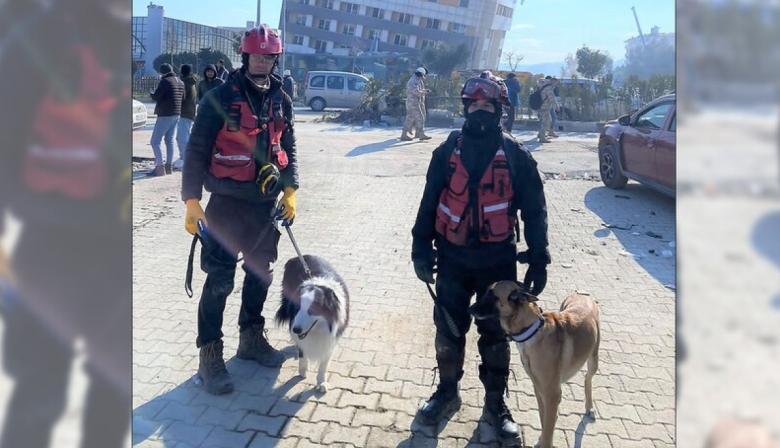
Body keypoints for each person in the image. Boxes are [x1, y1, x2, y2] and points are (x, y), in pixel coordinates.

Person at [0, 0, 131, 445]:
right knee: (38, 395)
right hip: (51, 249)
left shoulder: (119, 39)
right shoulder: (43, 37)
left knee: (113, 395)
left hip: (118, 259)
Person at [411, 76, 550, 445]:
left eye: (488, 106)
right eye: (474, 105)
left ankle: (495, 404)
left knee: (495, 337)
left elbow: (534, 211)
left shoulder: (517, 155)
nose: (480, 111)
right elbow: (428, 202)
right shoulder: (446, 152)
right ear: (465, 108)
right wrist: (420, 247)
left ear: (500, 110)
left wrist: (539, 258)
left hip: (497, 262)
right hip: (452, 259)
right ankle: (446, 392)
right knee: (448, 332)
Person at [182, 25, 298, 395]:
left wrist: (291, 188)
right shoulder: (218, 97)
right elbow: (196, 149)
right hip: (227, 205)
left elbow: (289, 144)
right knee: (219, 281)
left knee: (260, 272)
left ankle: (250, 339)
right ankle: (210, 355)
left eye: (270, 56)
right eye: (258, 55)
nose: (264, 61)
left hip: (265, 206)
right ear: (245, 56)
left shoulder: (281, 97)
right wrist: (191, 200)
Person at [149, 63, 183, 176]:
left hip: (165, 114)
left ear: (162, 72)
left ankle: (159, 167)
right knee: (169, 141)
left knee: (155, 141)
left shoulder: (165, 81)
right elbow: (183, 97)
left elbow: (157, 96)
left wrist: (152, 93)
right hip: (176, 113)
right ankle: (169, 167)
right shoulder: (180, 81)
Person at [174, 63, 197, 171]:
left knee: (182, 138)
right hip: (189, 112)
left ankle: (186, 159)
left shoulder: (184, 83)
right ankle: (185, 157)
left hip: (185, 113)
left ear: (181, 71)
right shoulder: (191, 82)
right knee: (183, 137)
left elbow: (181, 98)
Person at [400, 67, 431, 141]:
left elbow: (419, 90)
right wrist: (425, 92)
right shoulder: (413, 81)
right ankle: (421, 134)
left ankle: (406, 134)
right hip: (413, 103)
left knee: (410, 119)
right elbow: (416, 92)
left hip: (416, 103)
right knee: (419, 118)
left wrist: (424, 90)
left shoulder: (418, 80)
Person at [536, 76, 557, 143]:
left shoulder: (542, 86)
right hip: (545, 107)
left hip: (540, 106)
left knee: (543, 121)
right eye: (555, 82)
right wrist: (556, 106)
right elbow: (551, 98)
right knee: (547, 122)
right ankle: (542, 138)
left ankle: (540, 134)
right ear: (553, 81)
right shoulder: (548, 88)